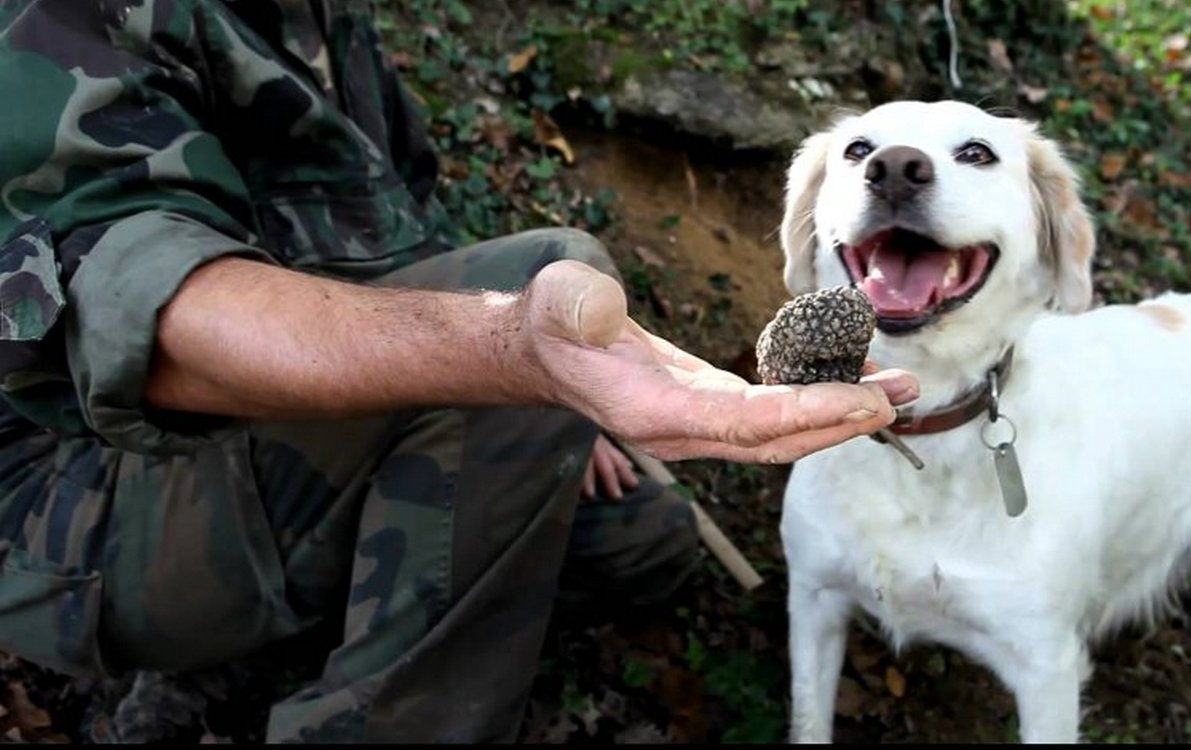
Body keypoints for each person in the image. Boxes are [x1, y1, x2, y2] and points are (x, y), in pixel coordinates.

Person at [0, 1, 917, 743]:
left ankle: (278, 628)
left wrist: (551, 396)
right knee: (534, 300)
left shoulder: (327, 29)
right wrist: (508, 349)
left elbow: (401, 250)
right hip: (76, 511)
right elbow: (143, 316)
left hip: (290, 444)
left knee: (649, 543)